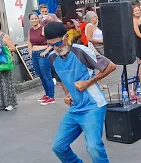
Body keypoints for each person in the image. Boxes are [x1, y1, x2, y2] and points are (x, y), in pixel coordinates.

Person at [44, 21, 116, 162]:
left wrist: (88, 82)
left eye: (57, 44)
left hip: (93, 106)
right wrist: (67, 94)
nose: (55, 48)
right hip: (75, 108)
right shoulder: (52, 58)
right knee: (58, 147)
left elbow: (111, 66)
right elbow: (61, 78)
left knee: (93, 147)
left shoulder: (81, 51)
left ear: (66, 37)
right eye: (51, 45)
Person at [27, 12, 55, 105]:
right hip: (34, 55)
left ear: (38, 19)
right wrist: (30, 53)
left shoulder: (43, 29)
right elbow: (29, 42)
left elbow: (52, 41)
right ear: (29, 20)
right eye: (32, 19)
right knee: (41, 76)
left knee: (47, 76)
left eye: (35, 18)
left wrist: (46, 51)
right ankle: (47, 95)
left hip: (42, 54)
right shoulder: (30, 30)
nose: (34, 20)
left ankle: (51, 96)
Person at [0, 22, 17, 111]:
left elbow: (13, 48)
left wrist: (3, 49)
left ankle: (11, 103)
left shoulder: (5, 36)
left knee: (7, 83)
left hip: (6, 63)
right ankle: (2, 103)